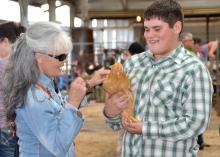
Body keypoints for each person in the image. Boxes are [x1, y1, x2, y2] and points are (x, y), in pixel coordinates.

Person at [103, 0, 213, 157]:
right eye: (147, 29)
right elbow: (117, 122)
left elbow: (195, 124)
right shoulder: (133, 64)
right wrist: (110, 112)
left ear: (176, 27)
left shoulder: (193, 70)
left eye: (157, 29)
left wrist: (145, 129)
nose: (149, 36)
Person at [3, 21, 109, 157]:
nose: (64, 61)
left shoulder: (44, 84)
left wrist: (90, 84)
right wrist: (73, 104)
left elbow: (56, 108)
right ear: (38, 56)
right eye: (60, 57)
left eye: (66, 55)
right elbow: (57, 146)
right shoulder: (33, 97)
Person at [0, 21, 26, 157]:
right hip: (10, 128)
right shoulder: (20, 64)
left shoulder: (4, 64)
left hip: (5, 127)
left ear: (5, 41)